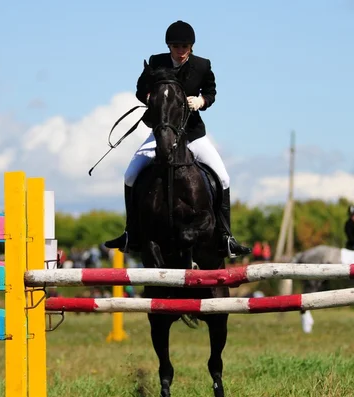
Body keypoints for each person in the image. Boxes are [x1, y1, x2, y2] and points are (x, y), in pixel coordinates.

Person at [104, 20, 250, 258]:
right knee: (130, 174)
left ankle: (226, 236)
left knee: (223, 177)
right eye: (176, 46)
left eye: (184, 46)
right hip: (162, 132)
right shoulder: (156, 62)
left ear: (191, 47)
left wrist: (201, 101)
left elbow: (211, 92)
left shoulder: (202, 66)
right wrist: (150, 96)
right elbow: (141, 88)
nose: (180, 51)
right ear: (169, 46)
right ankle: (131, 232)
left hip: (192, 135)